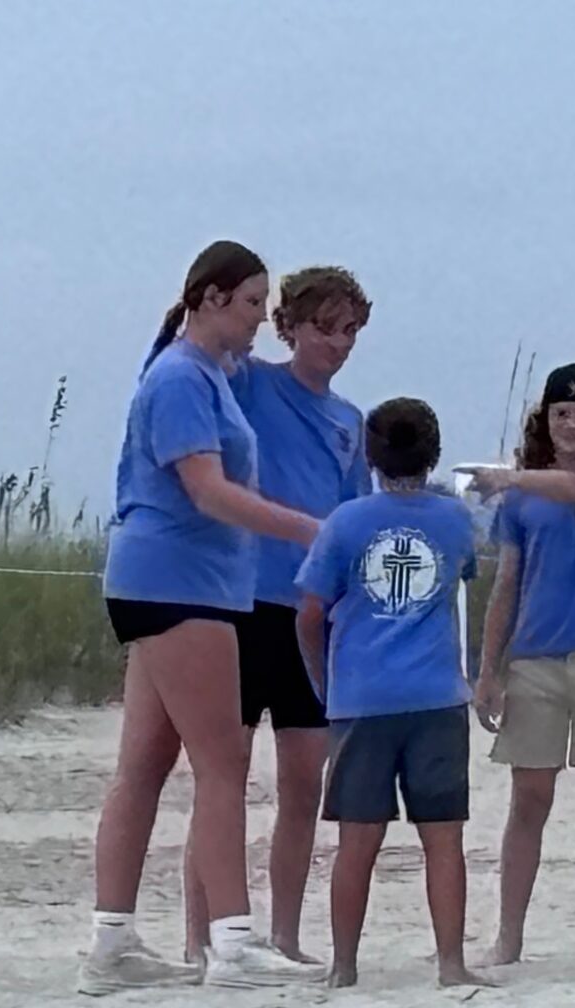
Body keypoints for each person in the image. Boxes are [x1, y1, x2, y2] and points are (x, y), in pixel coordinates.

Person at [82, 240, 327, 994]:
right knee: (222, 764)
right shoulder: (182, 377)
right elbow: (209, 492)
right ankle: (232, 941)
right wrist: (311, 530)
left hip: (175, 582)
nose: (258, 318)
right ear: (211, 298)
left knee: (145, 766)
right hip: (179, 584)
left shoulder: (210, 374)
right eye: (252, 303)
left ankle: (112, 942)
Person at [181, 266, 372, 967]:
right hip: (239, 603)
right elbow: (198, 363)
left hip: (311, 614)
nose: (338, 343)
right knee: (222, 777)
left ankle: (285, 935)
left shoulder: (350, 422)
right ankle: (202, 938)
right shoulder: (250, 383)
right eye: (324, 327)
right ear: (289, 327)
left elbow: (352, 518)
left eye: (350, 331)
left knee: (302, 783)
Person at [452, 364, 575, 968]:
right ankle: (509, 937)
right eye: (562, 414)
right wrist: (488, 670)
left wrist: (513, 477)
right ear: (545, 420)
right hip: (535, 658)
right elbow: (507, 585)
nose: (572, 425)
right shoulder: (522, 498)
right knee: (529, 798)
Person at [295, 397, 488, 989]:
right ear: (433, 454)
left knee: (357, 840)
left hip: (363, 699)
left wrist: (323, 679)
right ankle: (451, 963)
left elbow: (310, 611)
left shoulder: (346, 522)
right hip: (436, 697)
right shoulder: (454, 520)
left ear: (371, 456)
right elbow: (468, 578)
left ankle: (343, 966)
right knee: (443, 837)